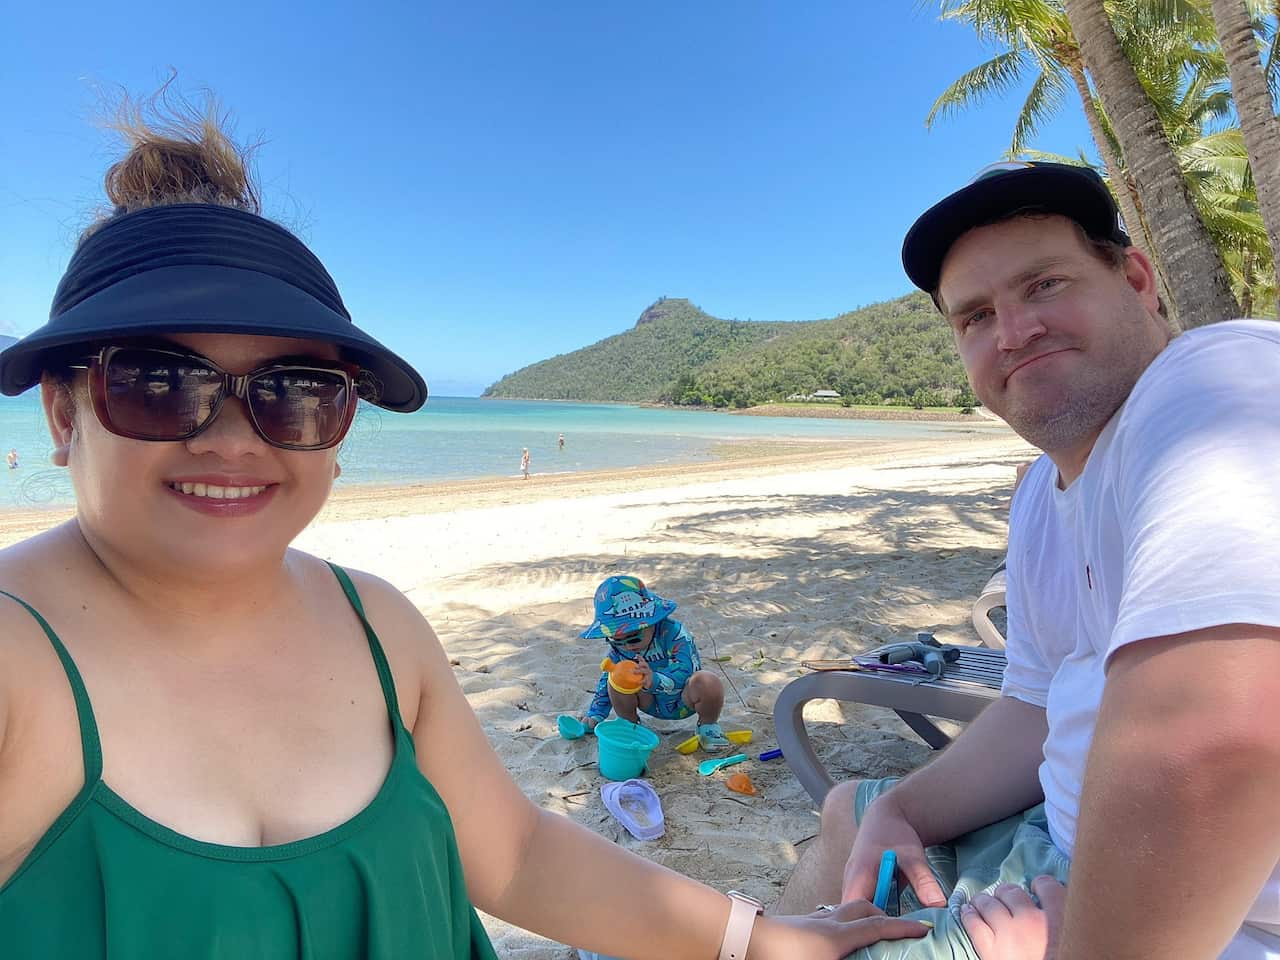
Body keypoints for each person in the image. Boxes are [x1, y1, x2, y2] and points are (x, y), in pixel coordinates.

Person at [0, 97, 931, 960]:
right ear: (62, 414)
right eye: (161, 382)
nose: (237, 442)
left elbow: (516, 853)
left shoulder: (378, 625)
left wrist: (765, 939)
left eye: (296, 391)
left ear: (342, 423)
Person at [777, 160, 1280, 960]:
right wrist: (905, 809)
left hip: (1207, 920)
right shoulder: (1046, 496)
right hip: (1055, 841)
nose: (1013, 332)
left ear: (1139, 280)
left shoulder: (1215, 383)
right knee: (853, 810)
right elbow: (1037, 702)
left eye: (1044, 284)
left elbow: (1217, 745)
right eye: (975, 316)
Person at [579, 575, 732, 752]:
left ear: (651, 622)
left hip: (683, 698)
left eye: (633, 636)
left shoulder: (674, 632)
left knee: (708, 681)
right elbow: (606, 681)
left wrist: (654, 679)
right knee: (614, 678)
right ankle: (630, 726)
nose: (627, 645)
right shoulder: (621, 649)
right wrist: (596, 714)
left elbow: (686, 669)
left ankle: (707, 726)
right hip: (648, 701)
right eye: (616, 639)